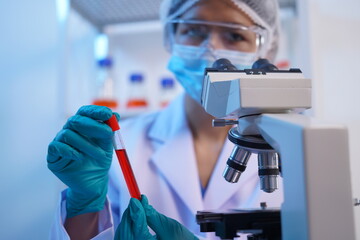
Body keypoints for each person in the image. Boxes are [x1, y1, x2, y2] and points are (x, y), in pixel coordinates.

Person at [47, 0, 283, 239]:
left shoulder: (296, 146)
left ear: (264, 51)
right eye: (194, 30)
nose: (210, 48)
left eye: (234, 35)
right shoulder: (118, 143)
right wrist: (84, 205)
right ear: (171, 38)